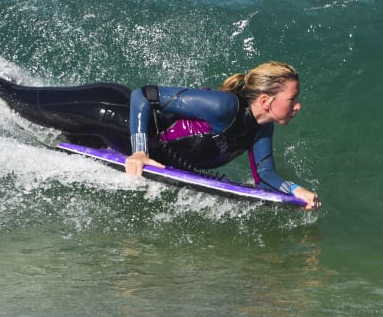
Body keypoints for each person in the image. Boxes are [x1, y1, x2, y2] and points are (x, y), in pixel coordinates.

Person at [126, 61, 320, 210]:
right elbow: (143, 95)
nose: (298, 106)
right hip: (113, 118)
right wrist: (139, 152)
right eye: (292, 99)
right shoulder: (223, 106)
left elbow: (264, 176)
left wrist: (296, 191)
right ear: (265, 101)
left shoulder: (262, 128)